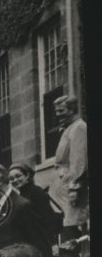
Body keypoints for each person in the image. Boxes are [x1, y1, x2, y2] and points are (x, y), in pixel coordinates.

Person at [53, 95, 88, 235]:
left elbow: (79, 162)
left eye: (61, 111)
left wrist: (74, 188)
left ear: (72, 109)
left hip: (72, 191)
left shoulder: (79, 128)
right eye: (57, 111)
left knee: (73, 230)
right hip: (62, 189)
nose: (57, 114)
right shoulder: (68, 128)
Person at [8, 161, 63, 251]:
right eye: (11, 178)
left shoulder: (37, 192)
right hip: (28, 243)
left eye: (18, 176)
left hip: (42, 242)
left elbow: (49, 218)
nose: (15, 180)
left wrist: (53, 243)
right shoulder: (20, 195)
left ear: (27, 175)